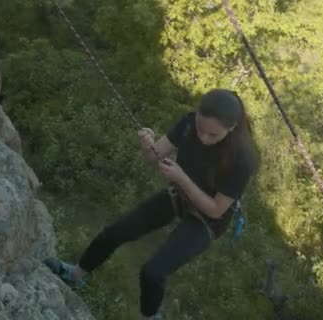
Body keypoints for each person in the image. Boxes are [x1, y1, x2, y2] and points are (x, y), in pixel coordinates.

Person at [44, 89, 258, 319]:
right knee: (115, 232)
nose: (204, 138)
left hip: (207, 219)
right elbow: (153, 159)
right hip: (180, 195)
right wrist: (147, 145)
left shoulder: (242, 159)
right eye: (201, 129)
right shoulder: (187, 124)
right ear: (196, 114)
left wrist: (181, 178)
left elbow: (215, 210)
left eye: (213, 135)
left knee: (152, 273)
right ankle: (77, 275)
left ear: (232, 127)